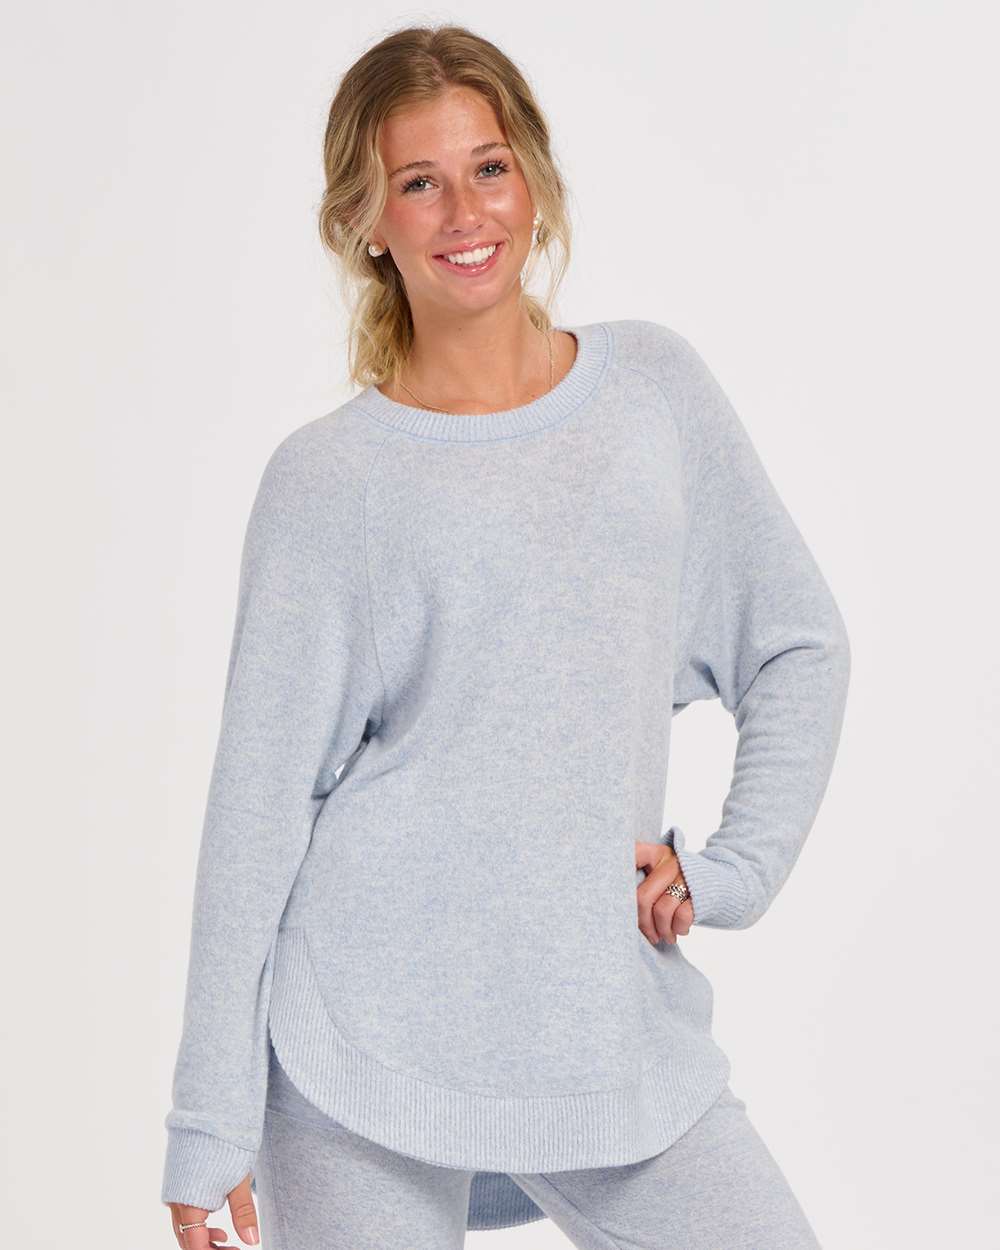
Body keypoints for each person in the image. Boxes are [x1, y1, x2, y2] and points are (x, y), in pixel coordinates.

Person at [161, 23, 850, 1250]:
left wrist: (731, 867)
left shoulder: (652, 395)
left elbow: (795, 642)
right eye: (417, 182)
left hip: (602, 1023)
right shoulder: (328, 481)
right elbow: (256, 806)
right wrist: (208, 1120)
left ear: (533, 176)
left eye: (488, 167)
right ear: (365, 220)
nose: (465, 211)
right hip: (360, 1039)